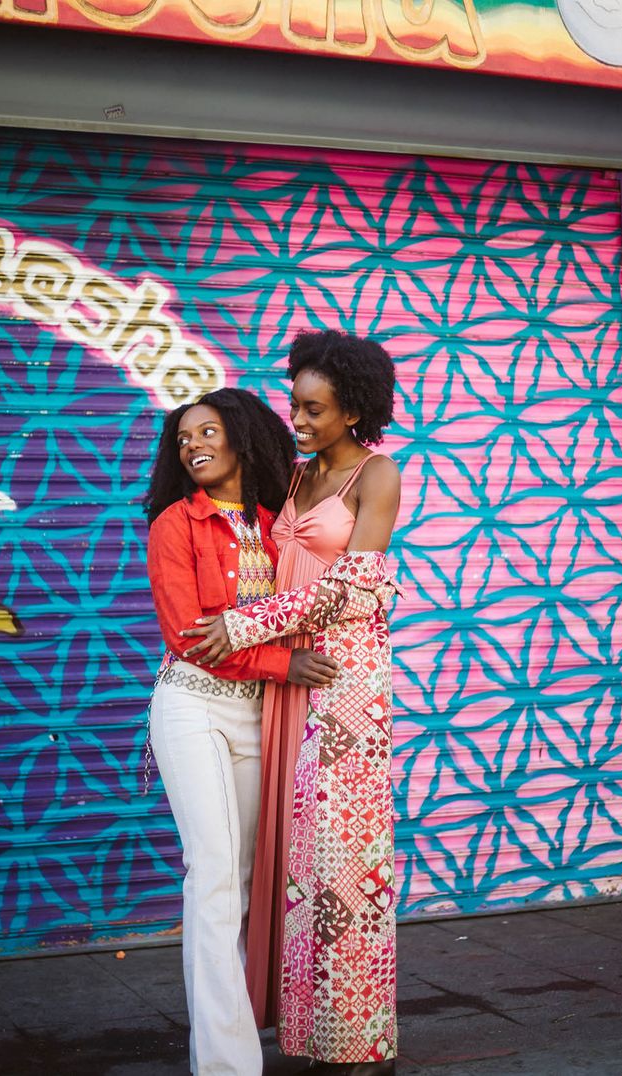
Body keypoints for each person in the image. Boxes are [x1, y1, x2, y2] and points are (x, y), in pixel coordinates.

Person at [182, 332, 401, 1076]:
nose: (299, 420)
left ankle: (364, 1044)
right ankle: (310, 1035)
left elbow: (354, 583)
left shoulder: (379, 474)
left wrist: (243, 625)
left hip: (345, 685)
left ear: (354, 409)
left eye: (315, 409)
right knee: (297, 868)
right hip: (286, 681)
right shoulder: (299, 476)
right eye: (296, 405)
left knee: (348, 867)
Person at [144, 387, 340, 1076]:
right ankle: (227, 1065)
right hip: (192, 706)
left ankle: (242, 1037)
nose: (192, 445)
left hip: (259, 712)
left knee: (252, 880)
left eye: (207, 432)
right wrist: (286, 662)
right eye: (182, 439)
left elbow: (310, 598)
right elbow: (189, 635)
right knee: (215, 877)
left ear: (241, 439)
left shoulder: (275, 524)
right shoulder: (175, 524)